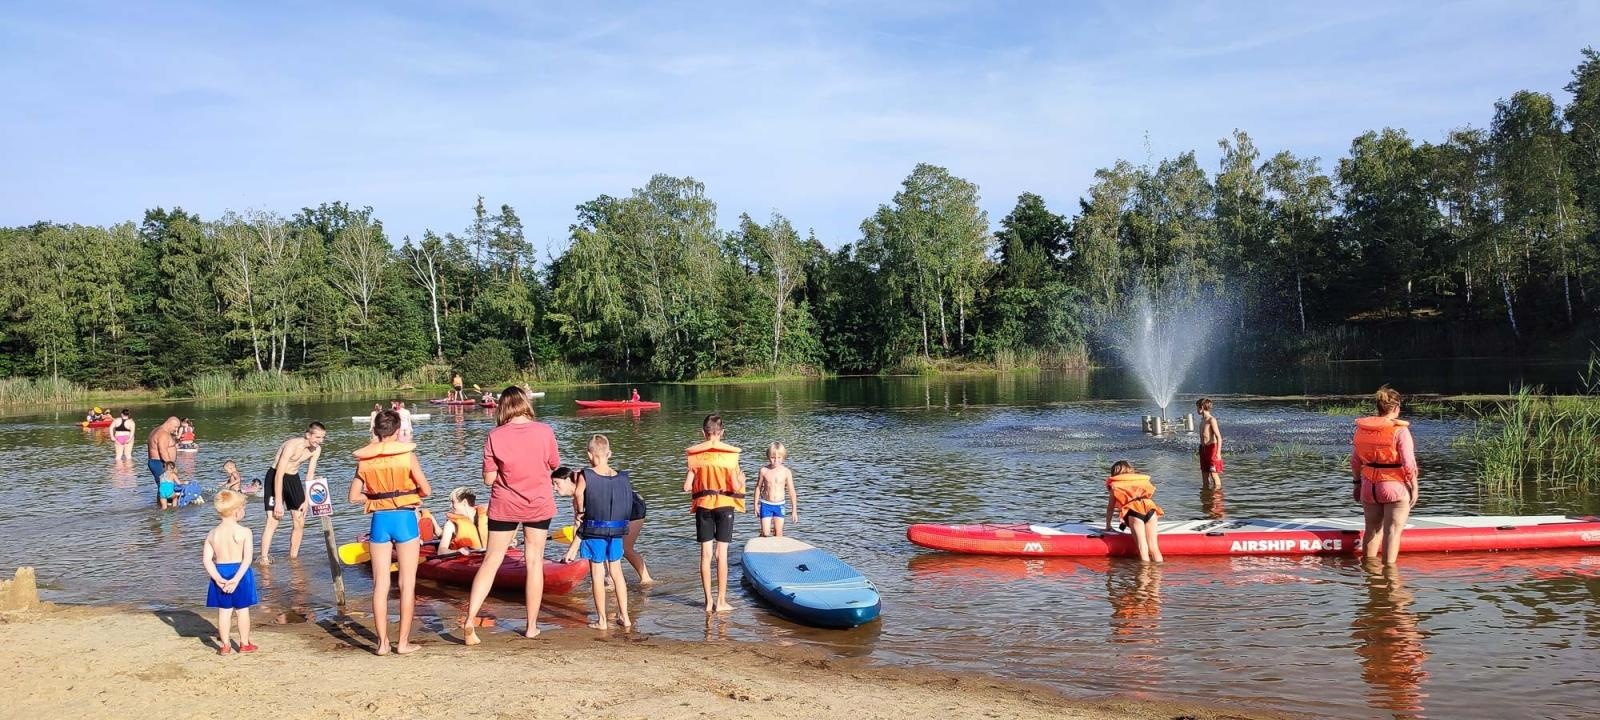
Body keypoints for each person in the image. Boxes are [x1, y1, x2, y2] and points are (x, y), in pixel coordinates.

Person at [462, 386, 561, 645]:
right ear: (525, 404)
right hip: (538, 504)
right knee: (534, 562)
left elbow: (488, 480)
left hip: (504, 505)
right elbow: (554, 465)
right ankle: (531, 626)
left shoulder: (494, 436)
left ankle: (470, 619)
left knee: (491, 560)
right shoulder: (545, 431)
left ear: (503, 408)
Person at [348, 410, 431, 655]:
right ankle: (402, 643)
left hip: (379, 522)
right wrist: (407, 495)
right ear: (397, 431)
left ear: (375, 431)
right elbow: (426, 489)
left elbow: (353, 497)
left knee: (380, 585)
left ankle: (382, 643)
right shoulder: (407, 456)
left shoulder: (365, 461)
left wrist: (376, 497)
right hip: (405, 520)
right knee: (407, 584)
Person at [563, 434, 634, 630]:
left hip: (595, 529)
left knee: (597, 572)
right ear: (608, 454)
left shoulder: (587, 474)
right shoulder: (620, 475)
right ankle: (625, 617)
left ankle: (602, 620)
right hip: (616, 529)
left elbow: (578, 493)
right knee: (617, 572)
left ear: (590, 455)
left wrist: (580, 512)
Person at [684, 414, 745, 614]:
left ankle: (708, 601)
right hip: (725, 506)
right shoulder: (729, 457)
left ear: (703, 433)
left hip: (703, 506)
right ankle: (721, 602)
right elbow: (736, 486)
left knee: (706, 555)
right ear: (722, 433)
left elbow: (686, 487)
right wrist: (742, 480)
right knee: (722, 555)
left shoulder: (696, 457)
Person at [1352, 385, 1419, 566]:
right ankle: (1390, 575)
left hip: (1368, 486)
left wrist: (1357, 483)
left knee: (1371, 530)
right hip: (1393, 485)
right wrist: (1414, 486)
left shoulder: (1361, 430)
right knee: (1392, 531)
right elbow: (1408, 463)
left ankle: (1369, 573)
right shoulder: (1400, 430)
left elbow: (1355, 461)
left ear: (1378, 407)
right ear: (1396, 407)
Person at [259, 422, 326, 564]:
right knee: (273, 520)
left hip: (293, 478)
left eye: (323, 438)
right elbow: (279, 475)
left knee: (300, 519)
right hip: (275, 476)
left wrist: (307, 501)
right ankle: (264, 558)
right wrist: (278, 502)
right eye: (318, 437)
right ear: (308, 435)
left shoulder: (316, 450)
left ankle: (293, 558)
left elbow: (309, 476)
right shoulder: (291, 446)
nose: (320, 441)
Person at [203, 489, 258, 655]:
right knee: (242, 611)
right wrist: (236, 580)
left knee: (224, 612)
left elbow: (207, 560)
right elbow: (247, 559)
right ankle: (244, 643)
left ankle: (225, 645)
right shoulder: (244, 532)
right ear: (236, 511)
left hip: (221, 570)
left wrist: (218, 578)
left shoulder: (212, 534)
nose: (243, 511)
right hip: (239, 573)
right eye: (243, 508)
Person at [1105, 460, 1164, 563]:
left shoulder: (1115, 485)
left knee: (1143, 548)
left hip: (1134, 512)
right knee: (1154, 548)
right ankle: (1157, 576)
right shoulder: (1140, 481)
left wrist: (1108, 526)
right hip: (1151, 509)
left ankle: (1143, 576)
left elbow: (1110, 508)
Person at [755, 442, 799, 538]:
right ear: (768, 457)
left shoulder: (786, 472)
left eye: (779, 458)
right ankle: (762, 535)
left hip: (779, 505)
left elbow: (792, 492)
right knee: (766, 533)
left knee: (778, 534)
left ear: (783, 457)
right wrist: (755, 505)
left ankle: (776, 550)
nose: (776, 460)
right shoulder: (764, 470)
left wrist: (794, 510)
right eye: (773, 457)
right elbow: (758, 487)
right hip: (766, 504)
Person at [437, 487, 487, 554]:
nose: (450, 506)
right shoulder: (451, 524)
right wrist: (457, 551)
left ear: (464, 502)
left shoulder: (488, 516)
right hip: (468, 561)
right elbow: (441, 551)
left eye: (453, 502)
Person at [146, 417, 180, 507]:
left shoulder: (156, 430)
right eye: (175, 427)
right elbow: (163, 451)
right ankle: (164, 510)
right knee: (166, 487)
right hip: (160, 463)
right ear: (169, 423)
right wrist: (171, 466)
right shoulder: (163, 434)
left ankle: (161, 508)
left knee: (162, 487)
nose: (176, 430)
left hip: (156, 462)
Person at [1197, 398, 1223, 490]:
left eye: (1197, 407)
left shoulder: (1211, 420)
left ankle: (1217, 496)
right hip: (1203, 449)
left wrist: (1218, 453)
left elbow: (1219, 437)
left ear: (1202, 407)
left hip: (1212, 448)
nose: (1196, 410)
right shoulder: (1202, 421)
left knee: (1213, 473)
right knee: (1204, 474)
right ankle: (1206, 497)